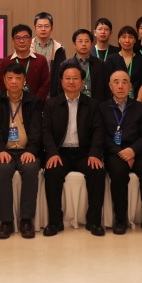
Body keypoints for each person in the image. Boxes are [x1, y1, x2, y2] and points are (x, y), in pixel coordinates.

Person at [42, 64, 107, 237]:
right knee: (52, 171)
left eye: (75, 78)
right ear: (61, 81)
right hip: (60, 153)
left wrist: (94, 153)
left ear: (82, 81)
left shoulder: (92, 104)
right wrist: (52, 153)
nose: (71, 82)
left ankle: (94, 221)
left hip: (84, 153)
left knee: (97, 171)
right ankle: (55, 222)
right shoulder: (51, 104)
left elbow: (98, 131)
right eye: (68, 78)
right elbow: (46, 131)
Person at [99, 70, 142, 235]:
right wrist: (120, 153)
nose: (120, 86)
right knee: (118, 173)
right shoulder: (102, 109)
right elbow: (101, 136)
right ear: (110, 86)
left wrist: (133, 151)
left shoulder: (141, 108)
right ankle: (120, 219)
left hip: (137, 150)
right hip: (114, 152)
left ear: (130, 86)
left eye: (124, 82)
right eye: (116, 82)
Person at [0, 61, 42, 239]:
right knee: (3, 169)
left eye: (18, 78)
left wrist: (31, 150)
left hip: (26, 150)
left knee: (31, 168)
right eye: (10, 78)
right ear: (4, 80)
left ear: (24, 80)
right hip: (4, 151)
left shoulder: (34, 101)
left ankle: (26, 220)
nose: (14, 82)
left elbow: (36, 130)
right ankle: (6, 222)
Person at [51, 29, 109, 102]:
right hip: (72, 104)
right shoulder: (65, 65)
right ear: (74, 44)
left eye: (86, 41)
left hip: (96, 105)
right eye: (80, 41)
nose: (83, 44)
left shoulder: (100, 64)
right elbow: (60, 88)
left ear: (91, 44)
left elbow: (106, 88)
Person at [0, 24, 51, 101]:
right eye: (18, 38)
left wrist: (34, 102)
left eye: (25, 37)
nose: (22, 41)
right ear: (13, 41)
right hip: (12, 104)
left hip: (36, 105)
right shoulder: (5, 62)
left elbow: (45, 85)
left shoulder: (41, 60)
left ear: (31, 40)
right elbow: (3, 86)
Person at [104, 25, 142, 102]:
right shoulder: (111, 59)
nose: (127, 40)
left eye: (130, 37)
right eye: (123, 37)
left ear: (135, 40)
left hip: (136, 101)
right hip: (116, 101)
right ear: (119, 40)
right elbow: (108, 82)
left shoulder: (141, 60)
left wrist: (138, 104)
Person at [33, 12, 67, 78]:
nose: (43, 29)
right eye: (40, 26)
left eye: (46, 26)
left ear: (52, 28)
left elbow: (63, 72)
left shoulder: (59, 48)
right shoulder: (28, 47)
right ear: (35, 28)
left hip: (52, 83)